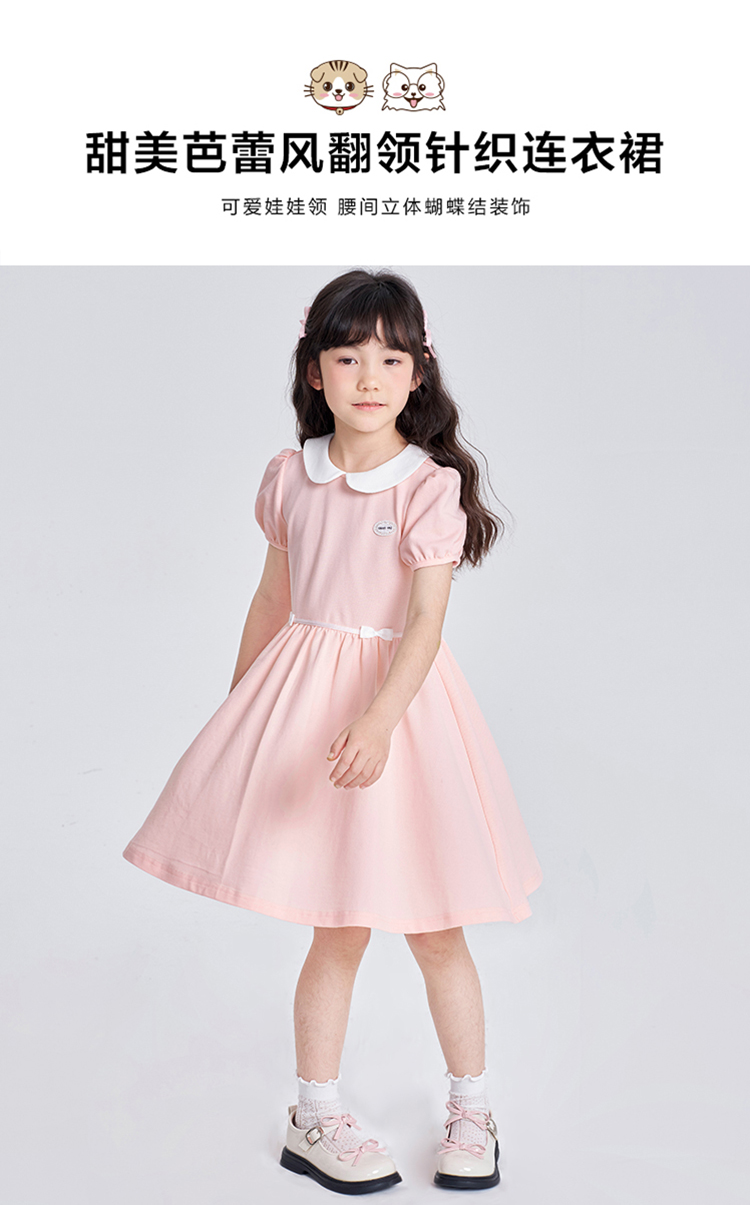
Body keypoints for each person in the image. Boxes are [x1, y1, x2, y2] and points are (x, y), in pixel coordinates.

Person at [122, 269, 543, 1194]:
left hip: (403, 717)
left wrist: (381, 720)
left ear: (419, 372)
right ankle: (314, 1112)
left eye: (390, 359)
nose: (369, 377)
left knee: (436, 926)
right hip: (310, 714)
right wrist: (240, 717)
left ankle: (471, 1106)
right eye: (348, 357)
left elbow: (425, 622)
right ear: (314, 370)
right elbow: (272, 599)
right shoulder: (292, 477)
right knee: (338, 926)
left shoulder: (426, 486)